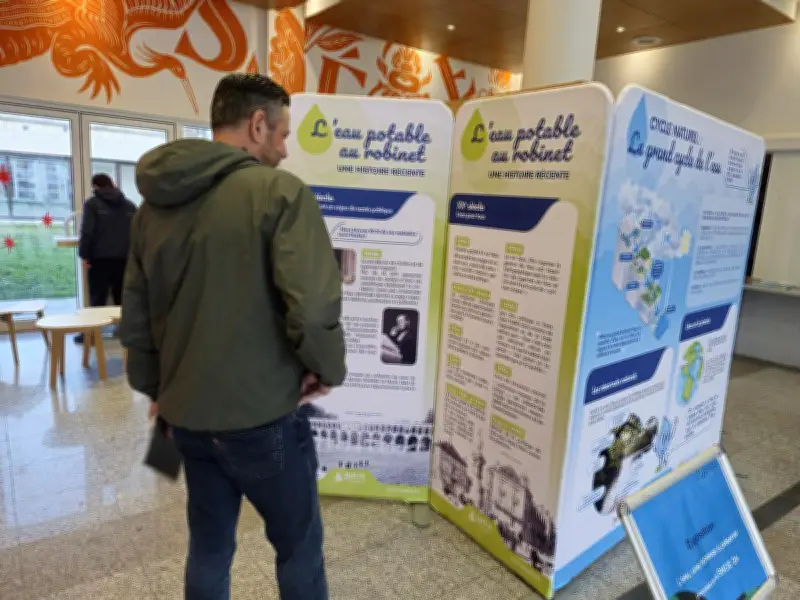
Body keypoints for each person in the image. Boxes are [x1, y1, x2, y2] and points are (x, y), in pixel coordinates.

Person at [120, 74, 346, 600]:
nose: (285, 150)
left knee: (209, 545)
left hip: (185, 418)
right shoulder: (279, 193)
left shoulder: (152, 209)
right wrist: (326, 370)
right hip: (262, 417)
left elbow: (136, 317)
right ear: (258, 124)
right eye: (283, 134)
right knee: (298, 547)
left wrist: (157, 391)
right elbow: (313, 309)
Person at [76, 173, 136, 343]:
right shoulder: (130, 206)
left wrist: (84, 254)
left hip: (99, 259)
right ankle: (126, 333)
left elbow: (87, 231)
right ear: (112, 184)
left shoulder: (92, 204)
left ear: (95, 187)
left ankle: (92, 335)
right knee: (122, 298)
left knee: (98, 298)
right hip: (125, 259)